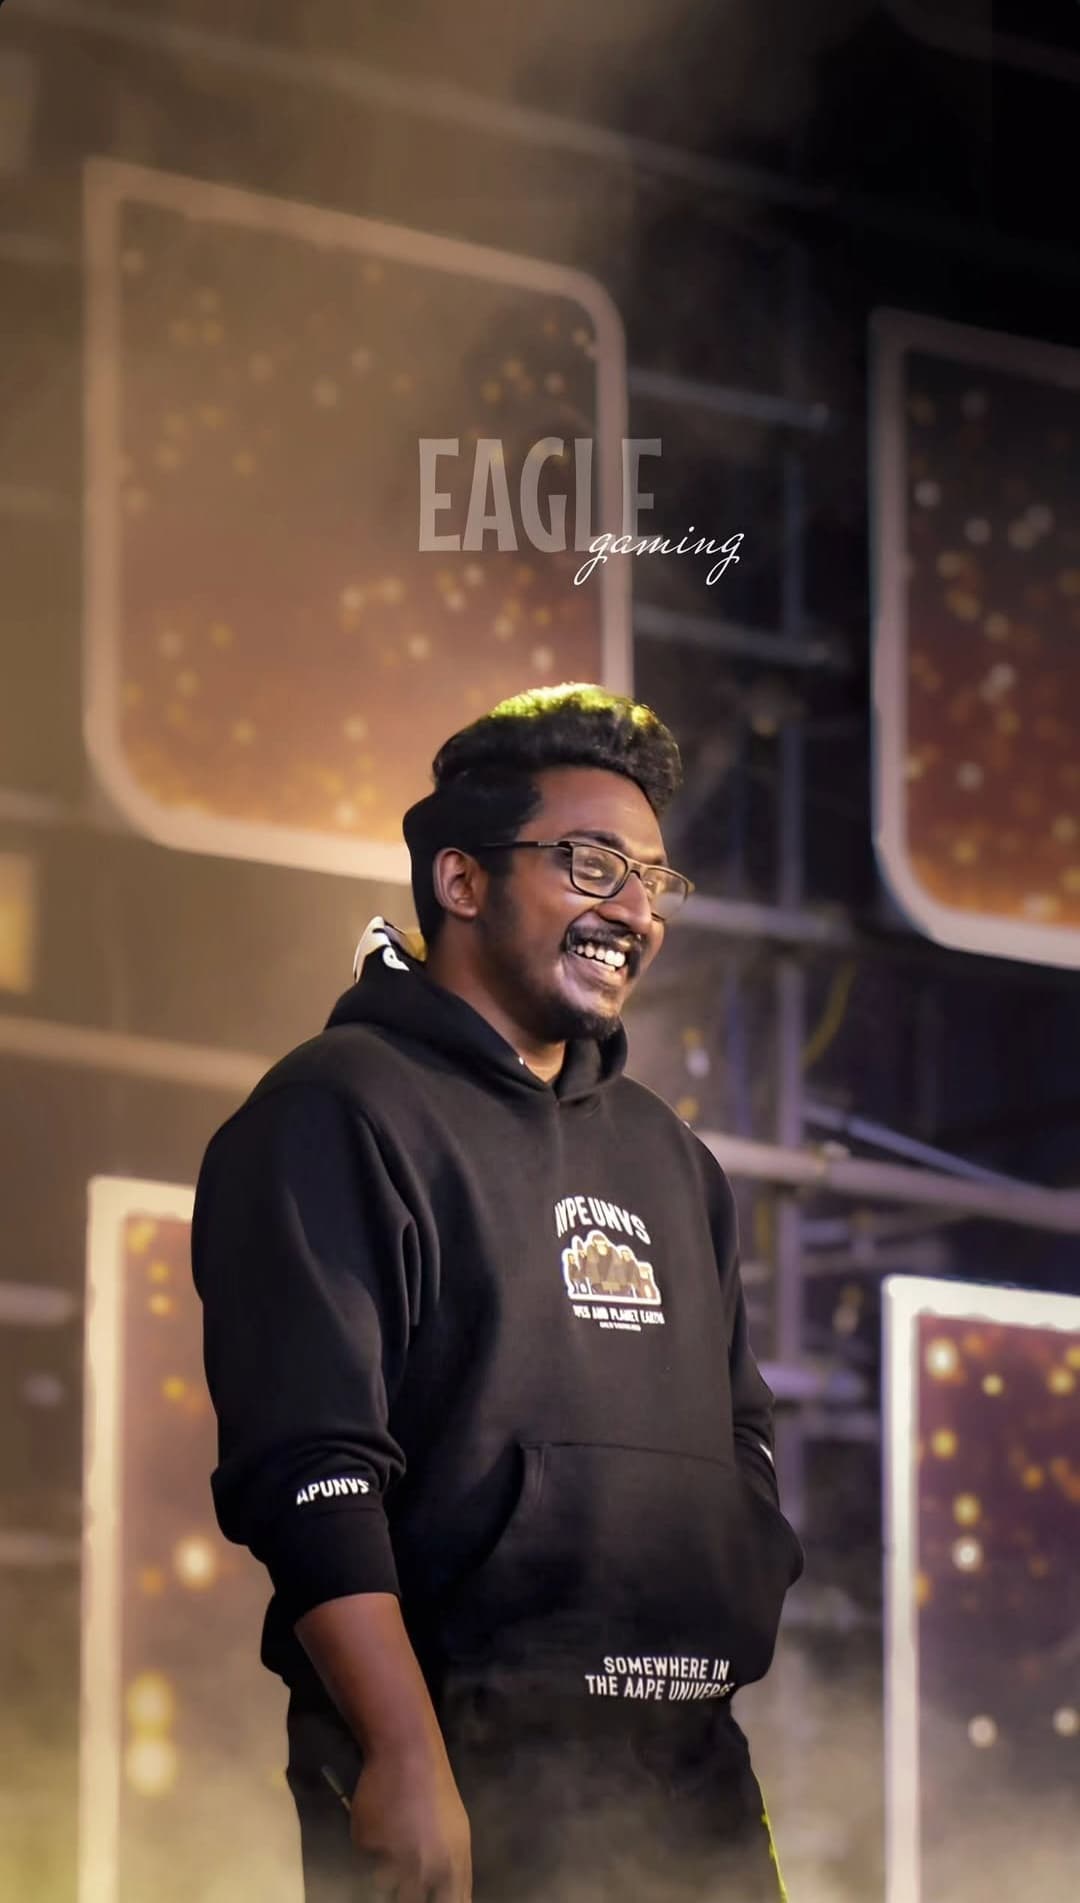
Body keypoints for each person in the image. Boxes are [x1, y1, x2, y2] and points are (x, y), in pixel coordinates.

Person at [192, 683, 803, 1903]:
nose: (634, 911)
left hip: (690, 1776)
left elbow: (739, 1429)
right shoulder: (334, 1109)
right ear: (462, 880)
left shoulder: (671, 1157)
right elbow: (309, 1465)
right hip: (461, 1763)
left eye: (651, 880)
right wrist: (402, 1751)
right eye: (592, 864)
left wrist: (737, 1568)